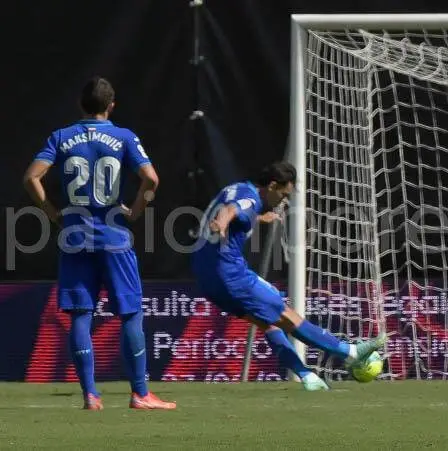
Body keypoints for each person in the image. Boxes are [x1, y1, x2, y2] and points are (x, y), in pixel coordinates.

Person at [22, 77, 175, 410]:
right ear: (112, 105)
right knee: (131, 313)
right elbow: (151, 179)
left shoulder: (61, 137)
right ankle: (140, 393)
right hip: (113, 237)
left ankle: (91, 394)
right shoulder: (123, 137)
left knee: (81, 315)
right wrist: (135, 210)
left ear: (81, 105)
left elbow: (31, 177)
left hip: (74, 235)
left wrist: (52, 213)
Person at [190, 161, 385, 390]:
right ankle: (349, 352)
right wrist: (221, 223)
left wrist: (261, 219)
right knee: (287, 316)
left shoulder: (236, 188)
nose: (283, 201)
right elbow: (231, 210)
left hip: (205, 277)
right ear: (272, 185)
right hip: (231, 275)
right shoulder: (250, 197)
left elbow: (236, 209)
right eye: (283, 195)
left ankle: (307, 376)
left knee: (268, 323)